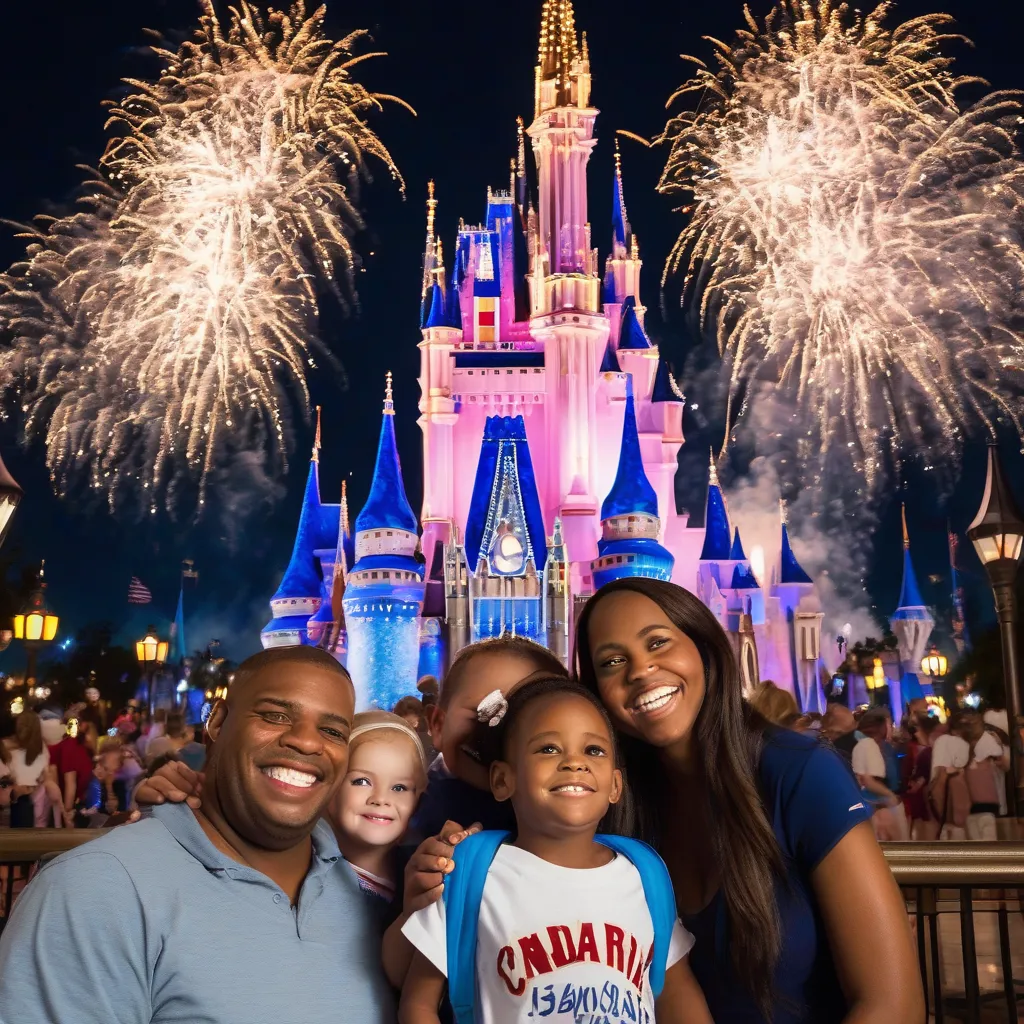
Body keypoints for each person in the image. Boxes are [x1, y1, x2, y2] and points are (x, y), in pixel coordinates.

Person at [0, 646, 397, 1023]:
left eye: (332, 731)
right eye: (275, 716)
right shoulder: (96, 890)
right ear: (218, 722)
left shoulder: (358, 886)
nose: (307, 741)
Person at [399, 676, 711, 1024]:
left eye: (593, 750)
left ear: (615, 785)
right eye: (548, 749)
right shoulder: (471, 869)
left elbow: (676, 993)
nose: (575, 763)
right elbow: (418, 1004)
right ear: (503, 780)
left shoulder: (645, 872)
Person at [330, 710, 428, 904]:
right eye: (362, 781)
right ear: (330, 788)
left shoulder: (420, 867)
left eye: (399, 787)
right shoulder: (309, 880)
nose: (381, 799)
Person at [852, 708, 910, 841]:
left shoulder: (873, 745)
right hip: (882, 806)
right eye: (889, 724)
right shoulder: (868, 745)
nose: (892, 728)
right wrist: (891, 797)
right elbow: (868, 780)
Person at [4, 710, 49, 828]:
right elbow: (43, 775)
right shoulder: (42, 751)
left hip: (16, 801)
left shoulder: (9, 751)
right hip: (32, 800)